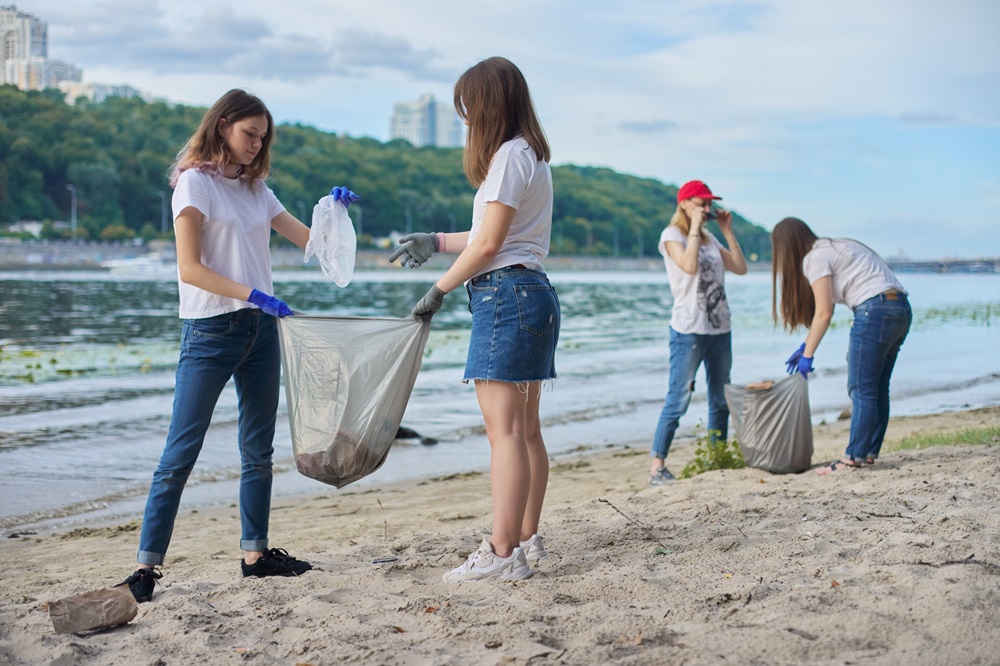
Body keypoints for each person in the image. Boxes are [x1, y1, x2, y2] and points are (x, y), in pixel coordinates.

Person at [116, 89, 358, 602]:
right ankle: (145, 567)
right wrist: (254, 294)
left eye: (263, 138)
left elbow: (312, 243)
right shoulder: (194, 185)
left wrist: (330, 212)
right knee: (180, 452)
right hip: (210, 331)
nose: (256, 145)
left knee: (257, 449)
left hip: (260, 333)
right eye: (250, 134)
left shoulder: (256, 187)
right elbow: (190, 269)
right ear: (222, 124)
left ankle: (256, 555)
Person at [388, 57, 559, 582]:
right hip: (531, 293)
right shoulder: (529, 155)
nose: (466, 120)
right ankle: (526, 540)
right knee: (525, 430)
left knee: (503, 433)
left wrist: (437, 290)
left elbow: (487, 245)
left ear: (488, 105)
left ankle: (502, 553)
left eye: (468, 109)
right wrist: (436, 241)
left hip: (504, 297)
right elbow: (490, 234)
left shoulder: (508, 156)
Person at [771, 217, 911, 475]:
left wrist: (808, 356)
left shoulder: (814, 258)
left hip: (874, 311)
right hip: (900, 308)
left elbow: (824, 312)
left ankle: (853, 458)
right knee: (878, 386)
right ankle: (868, 452)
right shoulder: (836, 246)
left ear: (786, 246)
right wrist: (805, 345)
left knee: (861, 388)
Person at [648, 180, 748, 485]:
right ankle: (657, 467)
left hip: (720, 328)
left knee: (720, 399)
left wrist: (728, 231)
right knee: (678, 398)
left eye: (709, 205)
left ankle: (717, 459)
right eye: (702, 204)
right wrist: (692, 227)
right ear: (685, 204)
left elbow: (741, 268)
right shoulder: (671, 236)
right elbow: (689, 267)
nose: (707, 210)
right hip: (688, 330)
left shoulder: (710, 239)